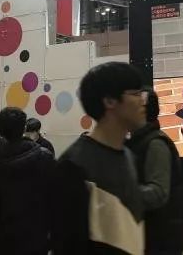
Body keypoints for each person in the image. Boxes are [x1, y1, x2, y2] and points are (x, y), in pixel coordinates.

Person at [52, 62, 146, 255]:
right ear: (110, 101)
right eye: (136, 94)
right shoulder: (73, 166)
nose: (143, 101)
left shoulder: (129, 156)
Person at [127, 88, 183, 255]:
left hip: (160, 244)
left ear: (143, 110)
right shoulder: (136, 142)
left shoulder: (156, 143)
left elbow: (158, 193)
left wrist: (121, 192)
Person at [0, 107, 55, 255]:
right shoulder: (44, 156)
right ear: (24, 127)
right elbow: (54, 198)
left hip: (4, 237)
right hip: (37, 235)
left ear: (0, 131)